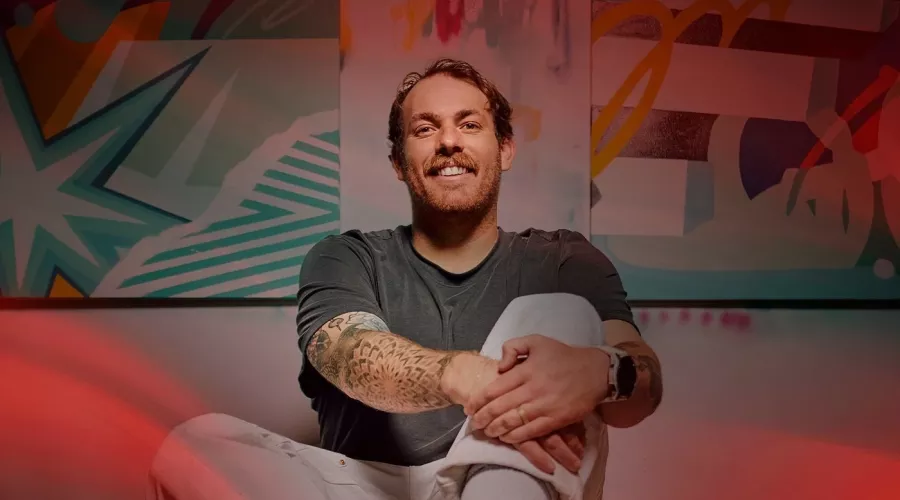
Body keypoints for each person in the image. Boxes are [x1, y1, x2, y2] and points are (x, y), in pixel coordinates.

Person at [147, 58, 663, 500]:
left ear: (504, 148)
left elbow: (641, 381)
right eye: (424, 129)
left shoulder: (562, 258)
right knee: (194, 444)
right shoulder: (345, 257)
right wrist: (463, 374)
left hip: (511, 482)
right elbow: (348, 353)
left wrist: (603, 373)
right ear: (399, 162)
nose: (447, 142)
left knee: (564, 313)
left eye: (468, 124)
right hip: (370, 487)